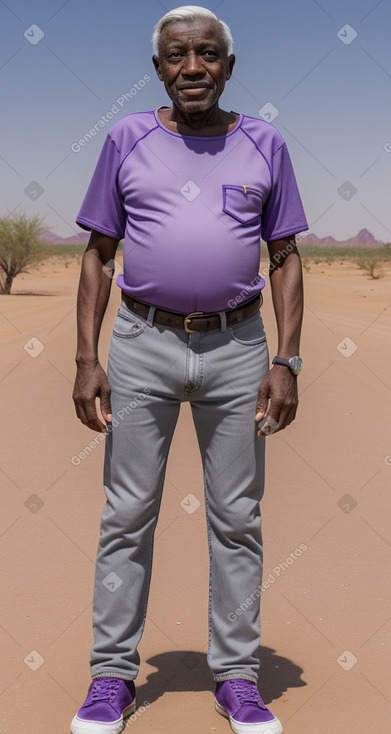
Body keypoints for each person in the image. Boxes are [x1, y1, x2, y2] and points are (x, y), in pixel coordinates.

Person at [70, 6, 307, 734]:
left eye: (208, 55)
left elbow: (286, 258)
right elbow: (98, 255)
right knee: (126, 515)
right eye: (178, 56)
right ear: (159, 68)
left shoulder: (263, 143)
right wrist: (86, 357)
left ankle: (236, 677)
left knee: (237, 519)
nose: (193, 67)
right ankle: (111, 675)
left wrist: (285, 358)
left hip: (238, 349)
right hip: (141, 344)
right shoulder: (126, 139)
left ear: (228, 67)